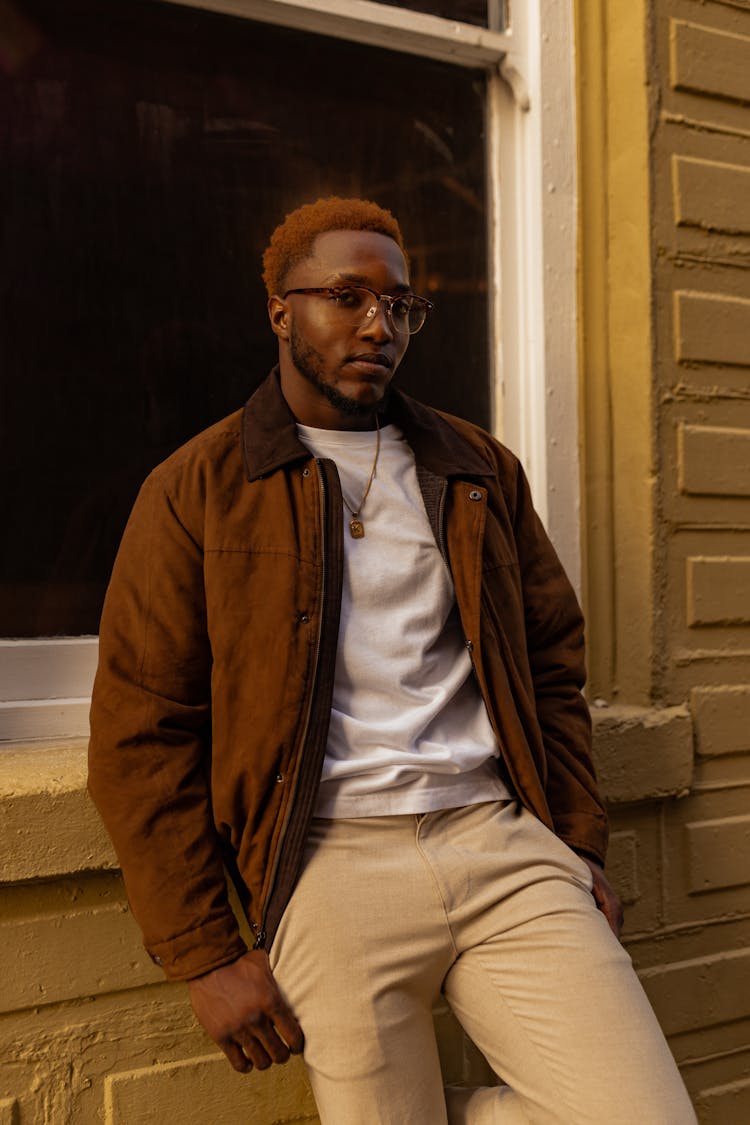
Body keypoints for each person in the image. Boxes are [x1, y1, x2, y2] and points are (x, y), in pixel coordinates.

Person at [88, 197, 697, 1124]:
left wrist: (573, 839)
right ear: (281, 311)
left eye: (401, 305)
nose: (379, 324)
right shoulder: (196, 492)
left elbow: (550, 662)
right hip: (330, 867)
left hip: (500, 845)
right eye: (347, 295)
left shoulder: (477, 469)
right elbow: (141, 732)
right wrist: (206, 952)